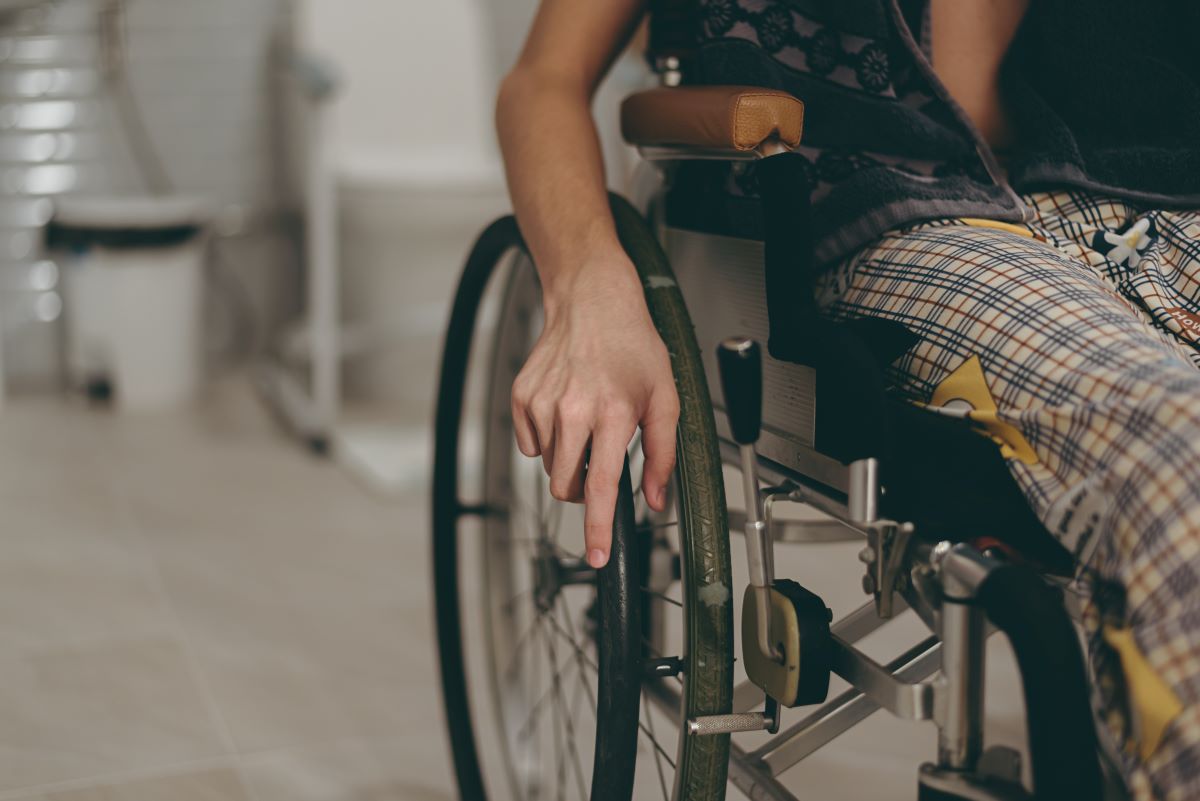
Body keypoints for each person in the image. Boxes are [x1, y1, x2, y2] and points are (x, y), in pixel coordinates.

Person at [494, 1, 1200, 797]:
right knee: (1178, 444)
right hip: (898, 208)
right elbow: (543, 81)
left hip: (1156, 199)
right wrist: (590, 284)